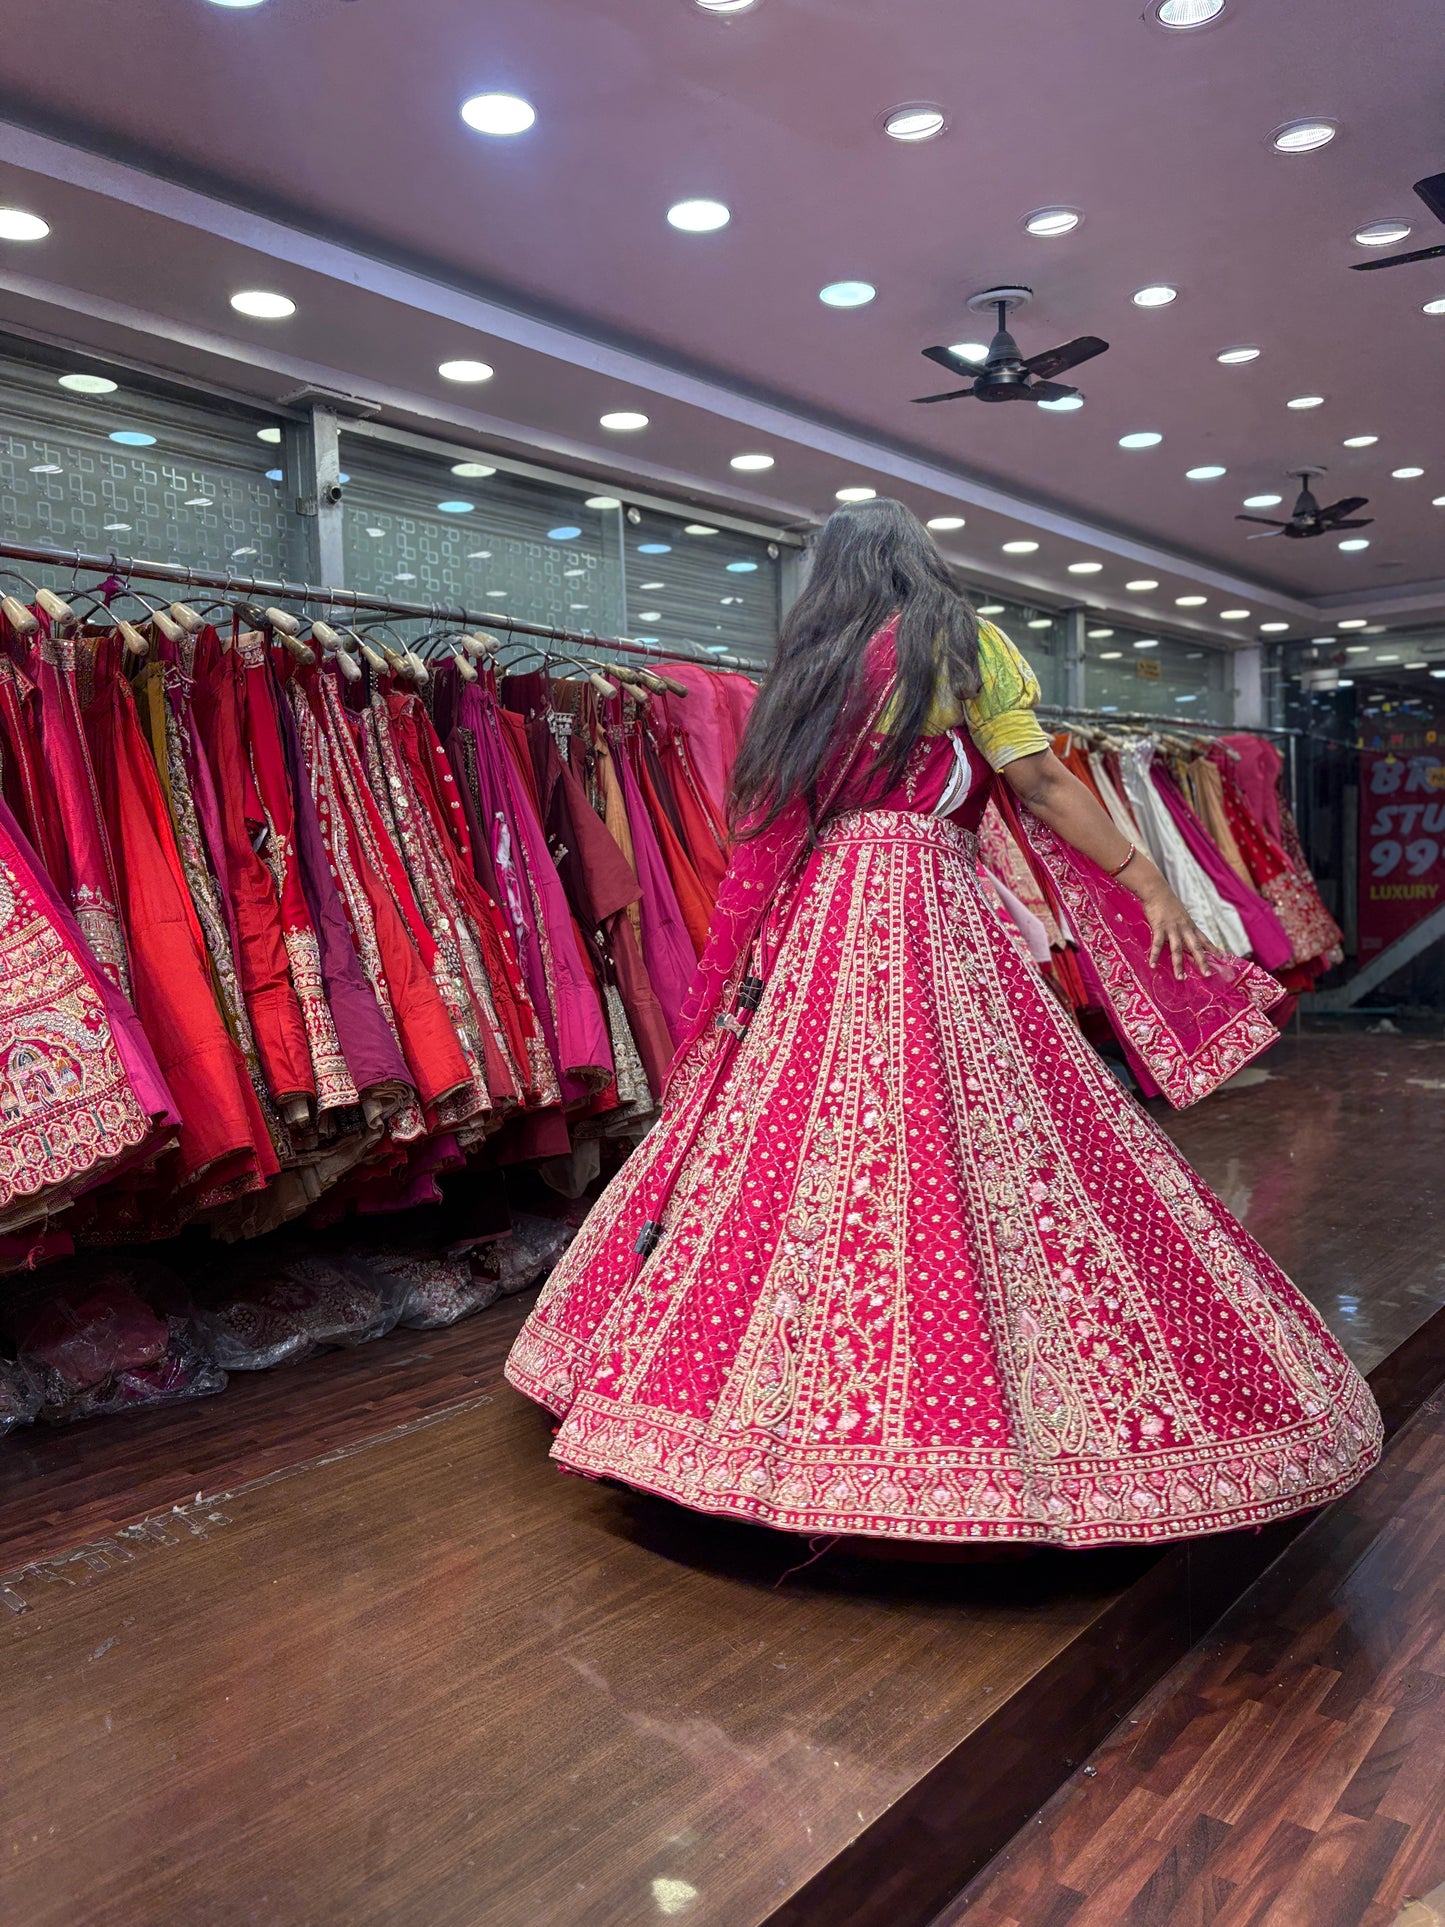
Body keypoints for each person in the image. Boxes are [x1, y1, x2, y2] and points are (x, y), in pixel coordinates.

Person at [506, 500, 1380, 1549]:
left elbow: (778, 820)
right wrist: (1142, 877)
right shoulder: (959, 643)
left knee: (795, 1138)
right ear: (921, 563)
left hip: (823, 910)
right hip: (926, 901)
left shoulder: (813, 662)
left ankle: (715, 1408)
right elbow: (1038, 779)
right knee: (972, 1130)